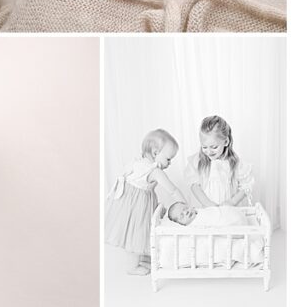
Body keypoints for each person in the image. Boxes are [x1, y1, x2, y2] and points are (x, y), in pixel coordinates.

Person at [105, 128, 183, 275]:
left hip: (127, 201)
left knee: (135, 233)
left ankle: (139, 258)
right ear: (155, 153)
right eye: (168, 159)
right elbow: (172, 190)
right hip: (137, 206)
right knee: (136, 233)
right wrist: (182, 203)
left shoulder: (138, 162)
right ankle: (132, 267)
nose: (170, 163)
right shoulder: (155, 171)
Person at [186, 115, 254, 207]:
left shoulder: (234, 163)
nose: (209, 151)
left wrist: (232, 202)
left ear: (226, 142)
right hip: (207, 209)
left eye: (214, 147)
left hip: (229, 209)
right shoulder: (198, 161)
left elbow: (246, 186)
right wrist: (208, 204)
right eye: (204, 147)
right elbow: (194, 185)